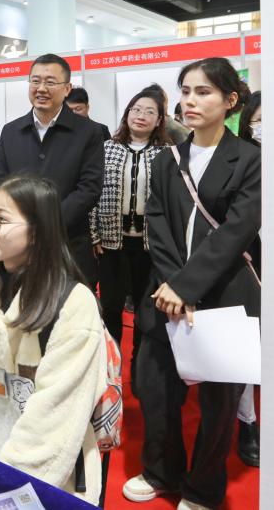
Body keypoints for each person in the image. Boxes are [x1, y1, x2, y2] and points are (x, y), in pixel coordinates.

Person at [123, 57, 261, 510]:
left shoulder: (251, 160)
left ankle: (203, 488)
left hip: (224, 295)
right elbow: (157, 223)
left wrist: (189, 287)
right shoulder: (169, 158)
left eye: (203, 92)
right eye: (185, 91)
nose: (191, 101)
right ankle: (161, 471)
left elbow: (236, 232)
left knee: (219, 403)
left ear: (230, 100)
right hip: (165, 294)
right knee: (155, 388)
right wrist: (173, 284)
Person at [0, 175, 107, 504]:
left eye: (1, 220)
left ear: (37, 230)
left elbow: (54, 420)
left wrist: (4, 493)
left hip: (46, 472)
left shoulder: (74, 303)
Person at [0, 54, 104, 289]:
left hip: (68, 244)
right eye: (35, 81)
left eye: (50, 82)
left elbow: (89, 189)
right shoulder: (11, 131)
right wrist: (20, 224)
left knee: (70, 307)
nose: (41, 88)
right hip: (18, 247)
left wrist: (45, 224)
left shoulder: (88, 132)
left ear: (67, 88)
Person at [90, 89, 171, 389]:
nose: (141, 116)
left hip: (149, 246)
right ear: (127, 114)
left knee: (144, 311)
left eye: (149, 111)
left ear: (159, 120)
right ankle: (111, 369)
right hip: (113, 243)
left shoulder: (167, 154)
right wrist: (94, 234)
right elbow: (92, 194)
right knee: (111, 308)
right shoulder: (105, 149)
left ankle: (140, 369)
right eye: (136, 109)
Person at [235, 89, 262, 467]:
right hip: (248, 258)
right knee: (245, 345)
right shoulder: (240, 159)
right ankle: (247, 422)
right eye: (259, 121)